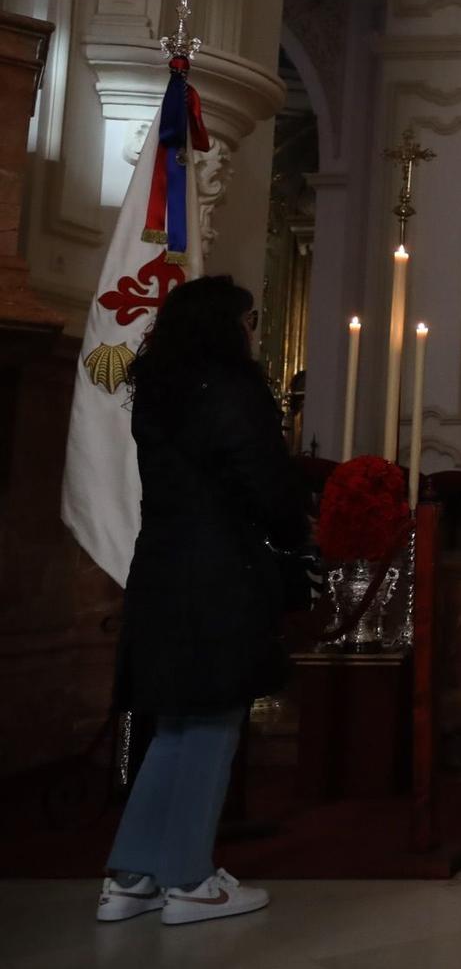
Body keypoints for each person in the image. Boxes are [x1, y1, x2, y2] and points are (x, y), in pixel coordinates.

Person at [97, 276, 308, 926]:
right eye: (250, 318)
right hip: (221, 570)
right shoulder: (232, 389)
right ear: (226, 323)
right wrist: (295, 535)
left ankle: (132, 872)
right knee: (214, 718)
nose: (255, 330)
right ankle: (188, 878)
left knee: (177, 720)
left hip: (160, 565)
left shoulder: (154, 390)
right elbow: (264, 481)